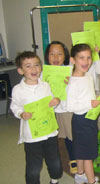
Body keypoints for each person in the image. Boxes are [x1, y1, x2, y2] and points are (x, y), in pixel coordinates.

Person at [10, 51, 63, 184]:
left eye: (36, 65)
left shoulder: (45, 85)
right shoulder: (18, 90)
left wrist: (55, 101)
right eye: (28, 66)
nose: (34, 69)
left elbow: (51, 103)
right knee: (34, 166)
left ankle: (54, 179)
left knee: (55, 161)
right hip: (32, 136)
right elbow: (15, 106)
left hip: (49, 132)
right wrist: (21, 114)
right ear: (20, 71)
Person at [66, 44, 100, 184]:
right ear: (73, 60)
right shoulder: (73, 82)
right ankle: (92, 181)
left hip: (89, 118)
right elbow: (70, 106)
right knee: (87, 155)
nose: (86, 61)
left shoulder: (88, 76)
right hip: (81, 120)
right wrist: (90, 104)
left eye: (88, 58)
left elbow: (88, 97)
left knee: (81, 149)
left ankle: (80, 175)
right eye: (81, 58)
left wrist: (98, 101)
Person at [44, 41, 77, 174]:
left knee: (70, 135)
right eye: (52, 54)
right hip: (50, 110)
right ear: (47, 56)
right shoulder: (43, 73)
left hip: (65, 109)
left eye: (59, 54)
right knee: (53, 138)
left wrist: (70, 83)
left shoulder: (70, 70)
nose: (56, 58)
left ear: (65, 56)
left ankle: (73, 159)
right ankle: (54, 163)